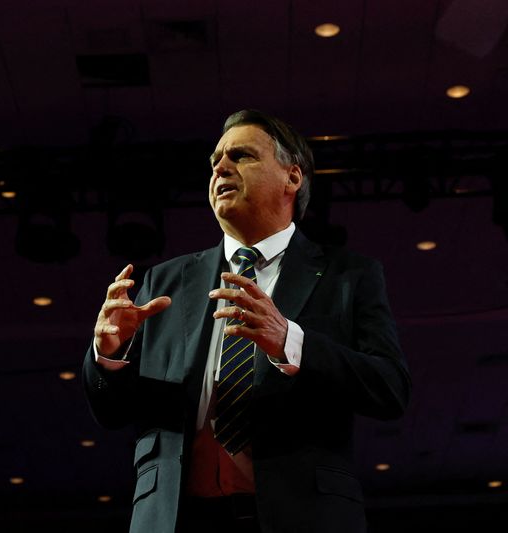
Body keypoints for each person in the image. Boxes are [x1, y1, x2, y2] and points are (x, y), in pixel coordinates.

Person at [82, 109, 411, 533]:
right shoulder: (165, 281)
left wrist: (291, 342)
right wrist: (109, 355)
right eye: (216, 160)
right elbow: (111, 413)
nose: (220, 167)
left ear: (293, 178)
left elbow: (391, 388)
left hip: (302, 516)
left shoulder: (347, 276)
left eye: (241, 156)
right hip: (176, 518)